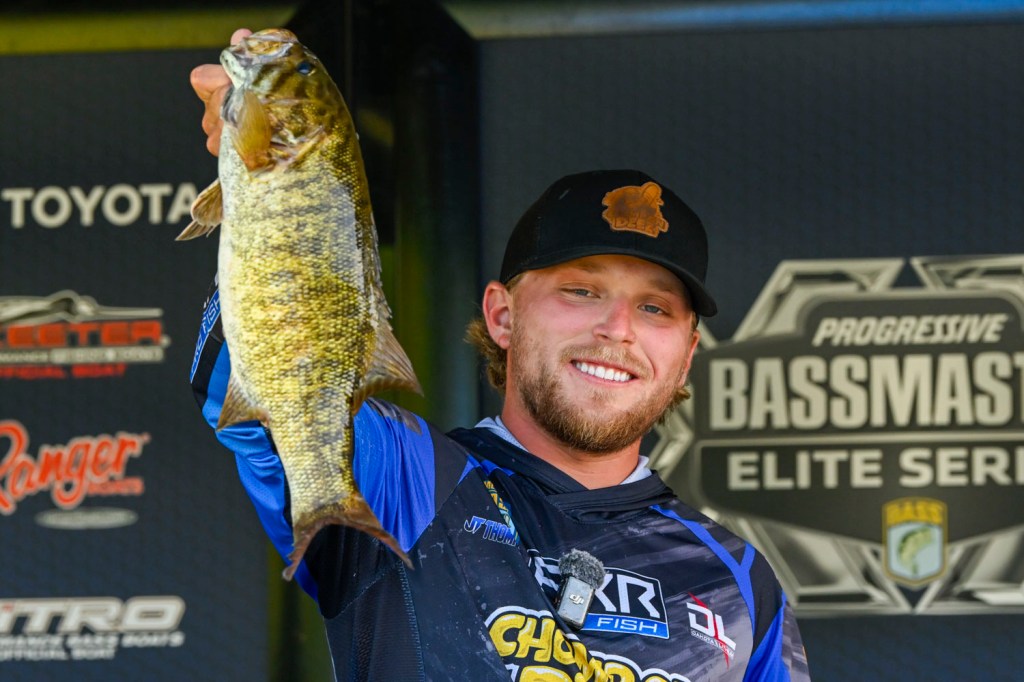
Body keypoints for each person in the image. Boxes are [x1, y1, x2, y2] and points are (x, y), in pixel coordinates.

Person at [189, 30, 811, 682]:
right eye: (581, 291)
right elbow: (269, 374)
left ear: (686, 354)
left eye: (655, 308)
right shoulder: (404, 481)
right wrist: (275, 177)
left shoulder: (740, 582)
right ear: (502, 315)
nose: (618, 329)